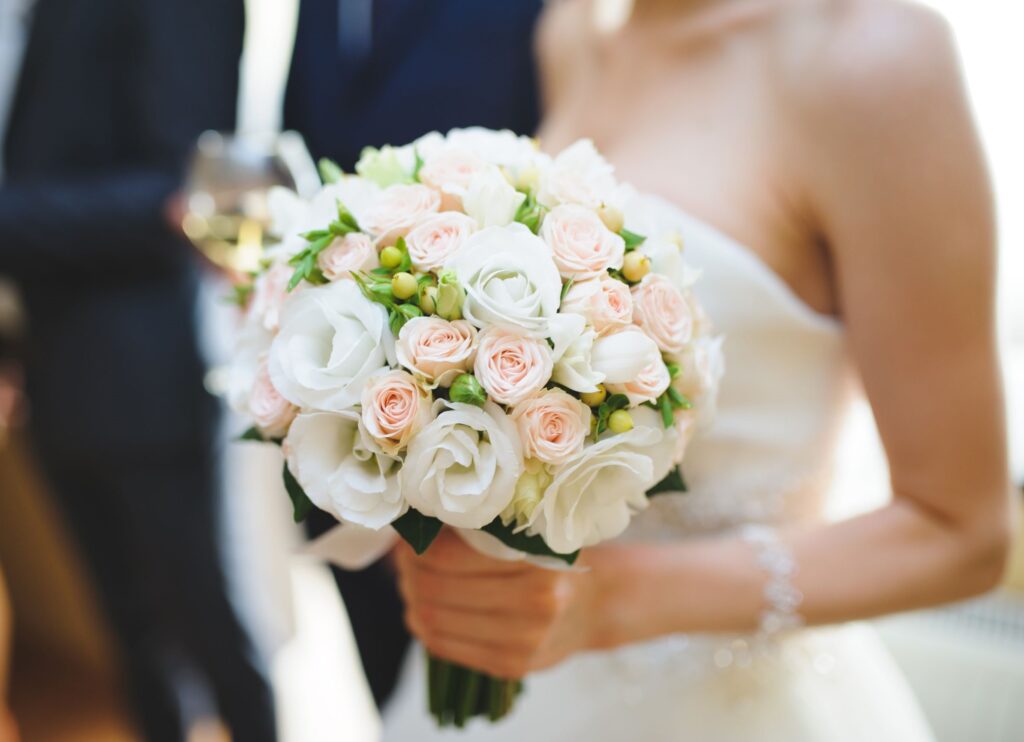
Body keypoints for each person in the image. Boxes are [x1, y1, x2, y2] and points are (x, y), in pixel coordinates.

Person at [384, 0, 1014, 739]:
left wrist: (608, 602)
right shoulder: (577, 32)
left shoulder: (872, 56)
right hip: (508, 693)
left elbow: (962, 533)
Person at [0, 0, 277, 740]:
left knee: (209, 627)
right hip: (51, 372)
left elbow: (185, 200)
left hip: (141, 373)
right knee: (129, 637)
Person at [283, 0, 545, 710]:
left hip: (487, 424)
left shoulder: (551, 16)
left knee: (485, 675)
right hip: (341, 413)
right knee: (389, 682)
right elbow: (305, 154)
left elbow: (542, 171)